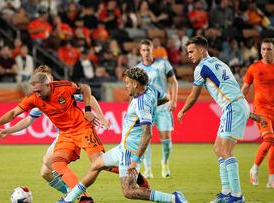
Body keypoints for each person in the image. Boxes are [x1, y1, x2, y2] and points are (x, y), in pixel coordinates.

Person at [0, 66, 149, 203]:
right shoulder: (34, 98)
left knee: (98, 163)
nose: (37, 94)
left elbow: (86, 89)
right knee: (57, 164)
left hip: (82, 128)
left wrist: (89, 111)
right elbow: (14, 113)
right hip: (65, 134)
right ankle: (83, 198)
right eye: (34, 91)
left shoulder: (64, 87)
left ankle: (134, 175)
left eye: (39, 90)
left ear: (49, 84)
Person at [57, 67, 187, 203]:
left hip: (130, 151)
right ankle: (68, 199)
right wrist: (153, 106)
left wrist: (135, 159)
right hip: (123, 147)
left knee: (129, 191)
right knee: (96, 165)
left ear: (135, 84)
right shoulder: (151, 89)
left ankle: (173, 198)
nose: (126, 86)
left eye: (127, 83)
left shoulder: (142, 104)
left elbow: (147, 134)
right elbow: (165, 97)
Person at [0, 65, 109, 197]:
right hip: (63, 134)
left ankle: (78, 194)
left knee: (51, 162)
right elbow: (27, 120)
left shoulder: (62, 90)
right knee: (45, 173)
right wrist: (8, 130)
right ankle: (70, 192)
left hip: (76, 130)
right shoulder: (38, 98)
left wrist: (100, 116)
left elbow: (89, 96)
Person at [178, 36, 251, 203]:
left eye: (191, 51)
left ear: (202, 50)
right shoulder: (219, 62)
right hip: (236, 105)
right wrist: (246, 110)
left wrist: (183, 110)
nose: (189, 55)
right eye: (187, 52)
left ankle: (237, 196)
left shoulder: (201, 67)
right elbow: (231, 85)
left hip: (232, 106)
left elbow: (194, 95)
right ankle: (226, 192)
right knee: (218, 148)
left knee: (226, 150)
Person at [136, 39, 178, 179]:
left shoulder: (163, 64)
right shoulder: (138, 69)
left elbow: (174, 82)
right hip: (147, 109)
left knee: (166, 139)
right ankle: (147, 169)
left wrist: (174, 100)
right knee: (146, 138)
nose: (146, 52)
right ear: (140, 52)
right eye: (143, 50)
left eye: (148, 49)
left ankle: (165, 162)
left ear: (152, 50)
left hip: (163, 107)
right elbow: (135, 91)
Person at [241, 38, 274, 189]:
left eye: (269, 49)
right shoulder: (254, 68)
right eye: (264, 49)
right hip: (261, 111)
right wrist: (241, 105)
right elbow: (245, 88)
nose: (266, 52)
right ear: (260, 51)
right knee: (269, 139)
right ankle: (254, 169)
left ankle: (271, 179)